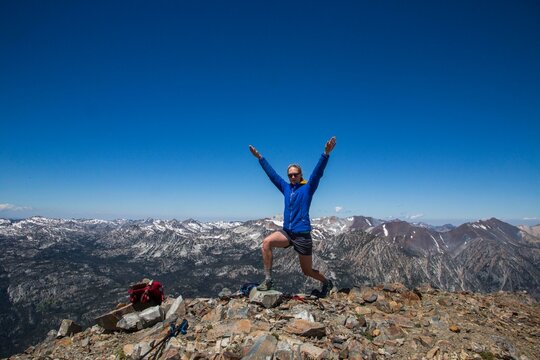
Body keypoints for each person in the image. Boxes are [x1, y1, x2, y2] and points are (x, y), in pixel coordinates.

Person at [249, 136, 337, 297]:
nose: (292, 177)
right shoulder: (286, 188)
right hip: (287, 233)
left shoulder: (308, 188)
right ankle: (268, 279)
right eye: (290, 175)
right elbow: (272, 175)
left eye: (295, 174)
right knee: (266, 242)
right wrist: (260, 158)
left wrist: (325, 154)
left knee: (307, 271)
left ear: (300, 175)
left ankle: (327, 282)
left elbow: (318, 173)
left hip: (302, 235)